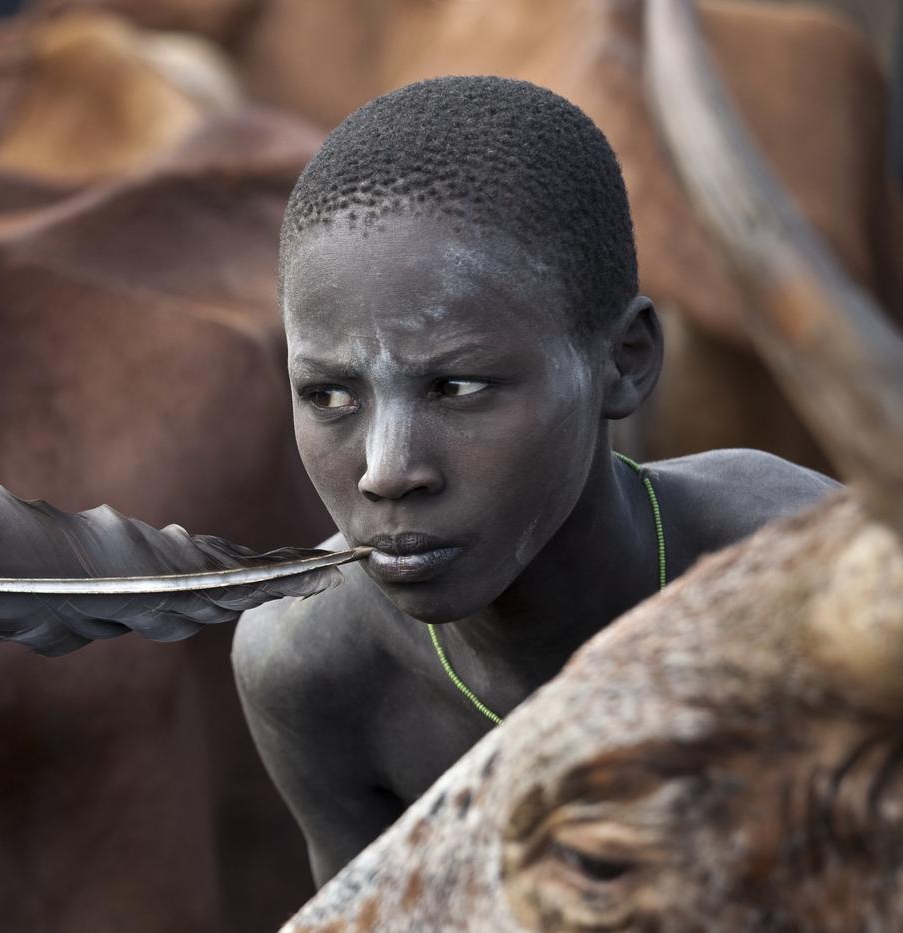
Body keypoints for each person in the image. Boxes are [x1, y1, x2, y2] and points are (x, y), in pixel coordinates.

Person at [230, 75, 836, 885]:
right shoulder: (312, 664)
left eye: (458, 387)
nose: (385, 470)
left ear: (624, 362)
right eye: (330, 396)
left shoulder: (809, 581)